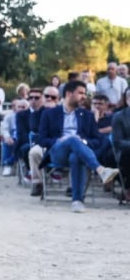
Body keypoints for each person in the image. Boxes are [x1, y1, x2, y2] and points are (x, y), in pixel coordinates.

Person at [35, 80, 120, 212]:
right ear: (69, 93)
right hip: (57, 152)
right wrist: (60, 140)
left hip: (79, 153)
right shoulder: (49, 113)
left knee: (76, 155)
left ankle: (77, 201)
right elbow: (41, 139)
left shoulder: (87, 115)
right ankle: (100, 170)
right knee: (73, 140)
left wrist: (84, 142)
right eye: (80, 93)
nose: (84, 97)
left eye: (85, 93)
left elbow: (97, 139)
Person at [110, 88, 130, 201]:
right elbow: (118, 142)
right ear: (128, 100)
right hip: (125, 152)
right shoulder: (119, 117)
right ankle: (128, 188)